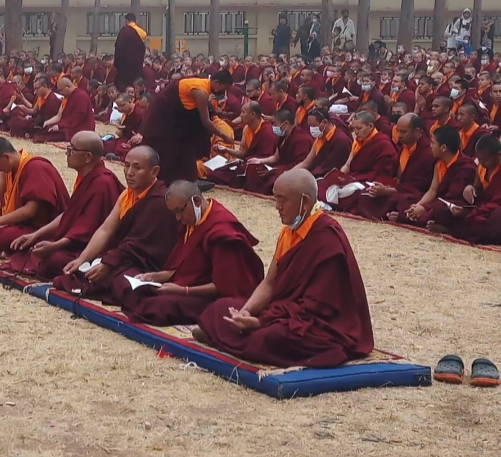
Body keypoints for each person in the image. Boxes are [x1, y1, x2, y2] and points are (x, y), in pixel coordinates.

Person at [193, 170, 374, 368]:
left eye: (282, 200)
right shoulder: (289, 231)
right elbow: (270, 282)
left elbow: (317, 308)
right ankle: (233, 333)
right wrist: (245, 312)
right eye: (275, 199)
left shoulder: (326, 238)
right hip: (284, 311)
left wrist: (262, 322)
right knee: (221, 307)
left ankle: (225, 335)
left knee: (273, 337)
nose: (277, 207)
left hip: (317, 324)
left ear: (304, 202)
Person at [117, 181, 265, 326]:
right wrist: (154, 276)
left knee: (159, 306)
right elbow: (184, 266)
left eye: (179, 211)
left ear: (197, 201)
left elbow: (224, 286)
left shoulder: (221, 232)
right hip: (189, 286)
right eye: (174, 213)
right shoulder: (193, 221)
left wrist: (184, 291)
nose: (178, 218)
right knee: (129, 286)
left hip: (215, 297)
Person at [53, 146, 178, 302]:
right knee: (60, 262)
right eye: (126, 165)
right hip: (121, 258)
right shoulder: (127, 194)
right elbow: (105, 230)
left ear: (154, 172)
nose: (129, 172)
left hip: (145, 264)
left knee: (125, 285)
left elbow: (139, 246)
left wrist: (108, 265)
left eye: (137, 167)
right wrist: (82, 259)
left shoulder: (160, 201)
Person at [2, 132, 124, 278]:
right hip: (75, 242)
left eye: (72, 149)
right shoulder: (86, 177)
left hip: (92, 248)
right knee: (31, 246)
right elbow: (69, 215)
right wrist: (35, 235)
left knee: (54, 260)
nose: (67, 153)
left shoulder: (102, 183)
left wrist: (55, 245)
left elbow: (89, 230)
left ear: (88, 157)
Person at [0, 137, 70, 258]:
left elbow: (29, 211)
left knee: (1, 237)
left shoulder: (35, 167)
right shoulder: (7, 170)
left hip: (42, 230)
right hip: (20, 226)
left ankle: (1, 252)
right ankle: (1, 253)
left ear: (6, 157)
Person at [141, 70, 236, 184]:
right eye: (223, 88)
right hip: (164, 115)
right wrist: (224, 136)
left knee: (185, 146)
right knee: (165, 148)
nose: (222, 92)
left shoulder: (202, 83)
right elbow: (205, 121)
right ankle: (162, 180)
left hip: (177, 117)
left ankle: (187, 180)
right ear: (216, 83)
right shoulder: (201, 92)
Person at [389, 126, 478, 228]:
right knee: (406, 201)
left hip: (451, 206)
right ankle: (414, 216)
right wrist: (419, 205)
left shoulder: (465, 167)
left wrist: (425, 208)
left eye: (433, 143)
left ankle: (411, 218)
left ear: (443, 147)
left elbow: (452, 199)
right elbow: (432, 191)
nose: (430, 146)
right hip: (438, 203)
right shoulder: (439, 164)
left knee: (440, 212)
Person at [316, 111, 398, 212]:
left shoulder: (383, 144)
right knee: (319, 184)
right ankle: (330, 202)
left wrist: (355, 179)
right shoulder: (358, 142)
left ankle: (330, 203)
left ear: (371, 126)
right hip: (353, 179)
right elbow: (347, 165)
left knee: (360, 195)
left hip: (369, 182)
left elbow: (382, 175)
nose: (356, 132)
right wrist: (339, 177)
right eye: (354, 129)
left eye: (359, 128)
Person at [427, 136, 501, 244]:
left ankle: (452, 230)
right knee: (441, 211)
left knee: (493, 221)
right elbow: (477, 188)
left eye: (486, 160)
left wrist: (471, 212)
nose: (482, 163)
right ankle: (457, 229)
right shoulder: (481, 167)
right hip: (482, 207)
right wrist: (469, 188)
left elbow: (497, 201)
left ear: (499, 155)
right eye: (479, 159)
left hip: (493, 210)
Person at [206, 101, 280, 188]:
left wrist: (246, 162)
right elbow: (242, 153)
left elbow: (267, 159)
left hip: (258, 167)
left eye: (243, 112)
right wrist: (226, 150)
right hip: (245, 164)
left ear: (252, 115)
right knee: (214, 172)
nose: (240, 115)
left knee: (248, 173)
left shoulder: (267, 131)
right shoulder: (246, 129)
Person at [241, 109, 315, 195]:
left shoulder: (302, 139)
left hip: (293, 173)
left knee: (273, 182)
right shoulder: (282, 136)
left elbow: (301, 165)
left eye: (275, 124)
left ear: (286, 124)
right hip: (279, 169)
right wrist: (260, 160)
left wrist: (278, 171)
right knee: (253, 170)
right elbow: (276, 157)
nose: (273, 127)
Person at [292, 109, 353, 178]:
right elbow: (306, 163)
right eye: (310, 126)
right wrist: (289, 174)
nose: (311, 129)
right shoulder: (320, 138)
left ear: (324, 122)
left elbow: (329, 169)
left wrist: (306, 177)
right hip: (315, 174)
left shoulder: (340, 140)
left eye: (313, 126)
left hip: (329, 178)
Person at [36, 77, 96, 143]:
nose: (60, 93)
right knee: (46, 129)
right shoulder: (66, 98)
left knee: (54, 134)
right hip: (68, 126)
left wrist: (59, 126)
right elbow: (59, 116)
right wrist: (47, 123)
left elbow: (78, 118)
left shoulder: (81, 95)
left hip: (81, 129)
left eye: (61, 90)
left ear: (67, 87)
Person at [103, 93, 146, 160]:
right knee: (109, 144)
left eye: (122, 105)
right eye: (118, 106)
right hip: (126, 139)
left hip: (135, 142)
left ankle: (120, 158)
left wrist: (138, 135)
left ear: (129, 101)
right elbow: (128, 129)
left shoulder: (139, 113)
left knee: (125, 149)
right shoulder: (128, 113)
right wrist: (122, 131)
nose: (120, 109)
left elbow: (139, 131)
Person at [113, 13, 148, 92]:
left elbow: (119, 47)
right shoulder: (141, 32)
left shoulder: (125, 31)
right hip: (137, 67)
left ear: (126, 21)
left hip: (125, 68)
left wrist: (117, 64)